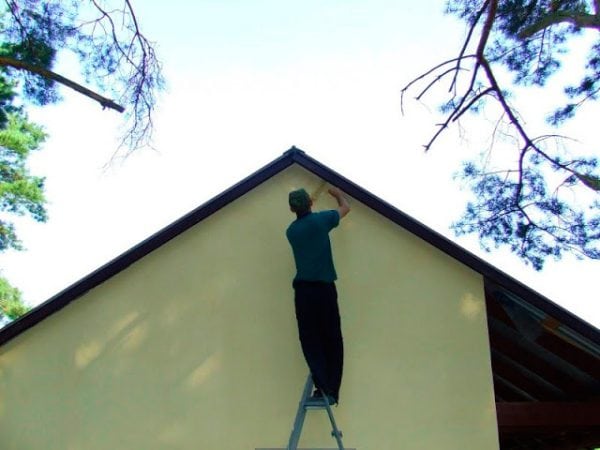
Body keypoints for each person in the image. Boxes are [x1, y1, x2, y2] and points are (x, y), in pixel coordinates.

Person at [286, 186, 350, 405]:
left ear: (291, 209)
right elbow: (346, 208)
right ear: (310, 204)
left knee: (311, 340)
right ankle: (331, 389)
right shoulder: (322, 221)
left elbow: (305, 219)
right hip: (324, 290)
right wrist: (337, 194)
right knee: (331, 337)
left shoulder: (291, 231)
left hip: (304, 293)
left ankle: (322, 387)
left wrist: (308, 206)